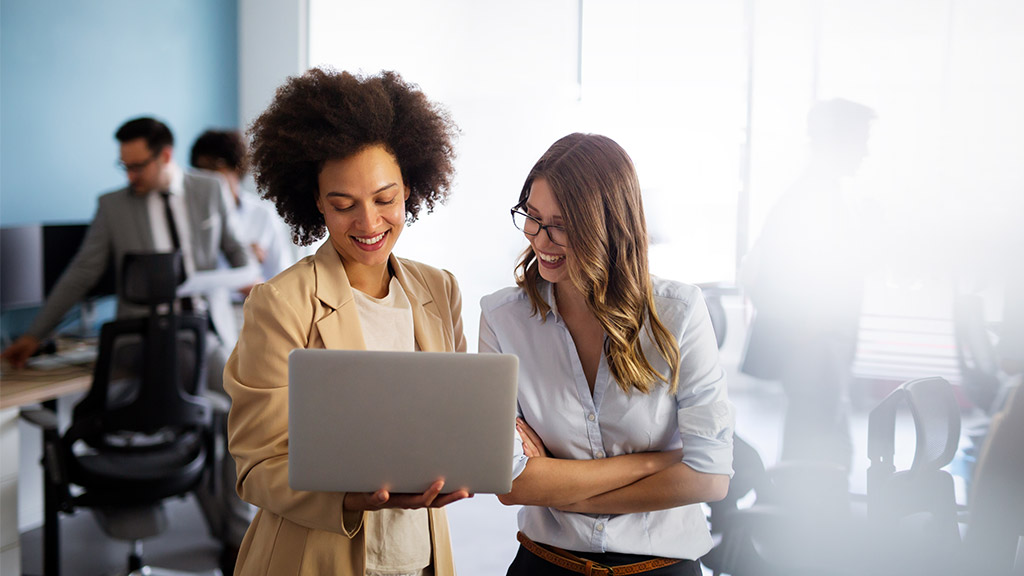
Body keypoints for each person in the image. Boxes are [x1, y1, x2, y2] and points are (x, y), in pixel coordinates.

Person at [223, 68, 469, 576]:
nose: (369, 223)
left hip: (419, 557)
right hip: (315, 557)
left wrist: (463, 462)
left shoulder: (439, 290)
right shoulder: (281, 303)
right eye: (343, 205)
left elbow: (454, 421)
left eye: (385, 199)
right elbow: (256, 465)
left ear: (410, 189)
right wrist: (349, 497)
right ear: (316, 203)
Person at [480, 133, 735, 575]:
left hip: (659, 566)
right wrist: (656, 463)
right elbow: (512, 482)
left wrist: (562, 489)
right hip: (545, 564)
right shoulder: (502, 319)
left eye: (560, 224)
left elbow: (709, 478)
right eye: (532, 217)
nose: (540, 238)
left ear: (609, 227)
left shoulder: (679, 314)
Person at [738, 98, 877, 472]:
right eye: (860, 139)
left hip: (823, 348)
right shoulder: (810, 200)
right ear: (838, 140)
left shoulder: (822, 195)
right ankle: (791, 524)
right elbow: (761, 274)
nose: (866, 150)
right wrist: (808, 332)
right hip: (816, 348)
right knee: (816, 457)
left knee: (823, 450)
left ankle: (798, 521)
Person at [190, 129, 293, 289]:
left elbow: (283, 274)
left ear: (236, 167)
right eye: (201, 171)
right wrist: (245, 258)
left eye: (214, 168)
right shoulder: (192, 214)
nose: (209, 178)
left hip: (256, 304)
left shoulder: (262, 214)